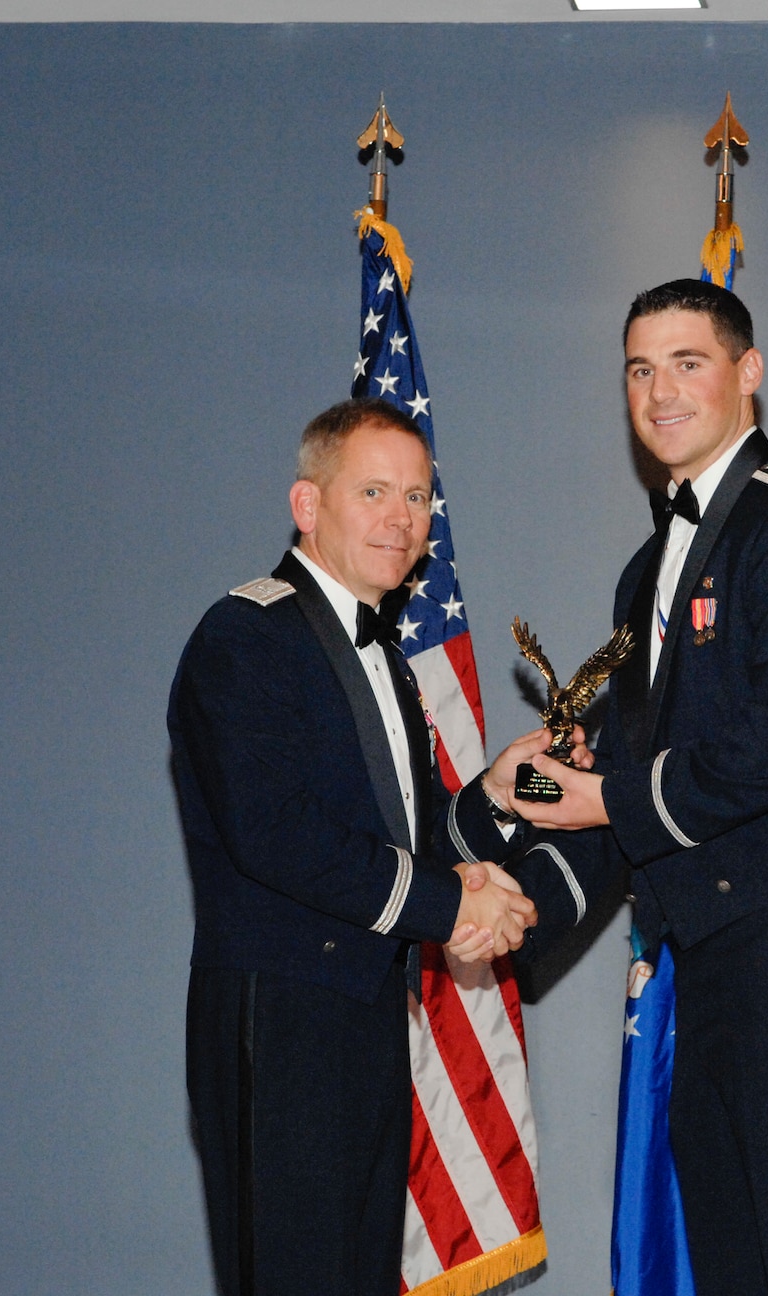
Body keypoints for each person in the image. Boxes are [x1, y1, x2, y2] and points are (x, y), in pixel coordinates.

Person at [503, 279, 768, 1296]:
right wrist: (501, 912)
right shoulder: (648, 568)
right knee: (735, 1263)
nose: (660, 391)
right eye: (639, 369)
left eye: (687, 362)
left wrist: (608, 798)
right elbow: (619, 794)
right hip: (715, 955)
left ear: (748, 373)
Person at [170, 397, 579, 1296]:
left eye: (420, 497)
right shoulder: (245, 635)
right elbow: (276, 835)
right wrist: (452, 906)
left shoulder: (387, 656)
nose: (402, 517)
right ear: (308, 506)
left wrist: (519, 791)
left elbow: (423, 835)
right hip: (278, 1020)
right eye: (375, 492)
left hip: (364, 1013)